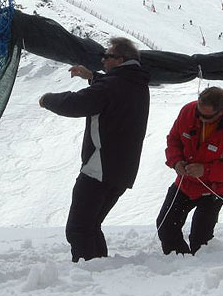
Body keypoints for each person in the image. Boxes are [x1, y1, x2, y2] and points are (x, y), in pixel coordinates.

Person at [39, 37, 150, 262]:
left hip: (100, 167)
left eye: (107, 56)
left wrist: (47, 99)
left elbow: (76, 103)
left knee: (78, 229)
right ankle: (100, 273)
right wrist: (92, 77)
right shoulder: (138, 83)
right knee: (91, 225)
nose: (103, 59)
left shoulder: (110, 86)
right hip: (122, 171)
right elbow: (115, 90)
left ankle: (88, 273)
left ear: (120, 60)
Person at [156, 87, 223, 255]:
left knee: (201, 239)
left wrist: (205, 171)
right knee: (166, 226)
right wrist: (176, 161)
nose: (200, 118)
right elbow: (173, 140)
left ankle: (200, 271)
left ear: (221, 112)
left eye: (206, 117)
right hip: (185, 183)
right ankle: (179, 265)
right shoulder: (188, 111)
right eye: (198, 113)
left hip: (215, 189)